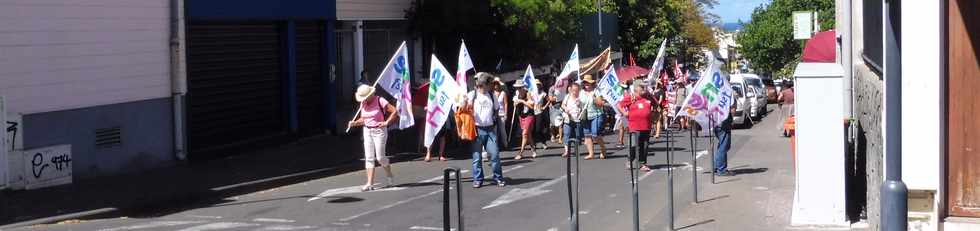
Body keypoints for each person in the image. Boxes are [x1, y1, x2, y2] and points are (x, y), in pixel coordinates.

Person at [348, 84, 397, 191]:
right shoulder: (363, 103)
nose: (364, 99)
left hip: (379, 130)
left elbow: (394, 111)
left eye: (365, 97)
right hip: (367, 130)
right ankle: (370, 183)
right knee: (369, 157)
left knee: (380, 157)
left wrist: (387, 122)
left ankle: (389, 174)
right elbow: (363, 119)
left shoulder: (380, 100)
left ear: (371, 94)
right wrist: (355, 123)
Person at [462, 73, 506, 188]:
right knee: (477, 157)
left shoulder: (492, 95)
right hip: (477, 129)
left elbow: (496, 109)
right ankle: (478, 179)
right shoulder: (472, 94)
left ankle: (498, 178)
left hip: (490, 129)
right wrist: (465, 102)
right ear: (484, 84)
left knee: (495, 155)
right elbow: (463, 108)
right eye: (490, 83)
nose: (492, 85)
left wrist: (494, 117)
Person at [618, 82, 655, 172]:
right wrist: (624, 113)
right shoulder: (631, 97)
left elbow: (656, 105)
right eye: (641, 87)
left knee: (644, 146)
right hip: (634, 126)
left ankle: (643, 164)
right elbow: (619, 105)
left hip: (646, 126)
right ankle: (630, 160)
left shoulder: (648, 96)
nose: (644, 89)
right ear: (636, 89)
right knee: (633, 146)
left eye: (644, 87)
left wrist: (652, 114)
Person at [580, 75, 607, 159]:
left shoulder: (596, 91)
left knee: (595, 134)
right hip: (585, 116)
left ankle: (603, 149)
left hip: (596, 114)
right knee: (587, 135)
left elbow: (601, 104)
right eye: (585, 82)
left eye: (588, 82)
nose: (586, 84)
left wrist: (595, 99)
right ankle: (591, 154)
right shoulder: (581, 92)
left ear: (592, 83)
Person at [512, 81, 538, 159]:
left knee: (524, 133)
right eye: (517, 87)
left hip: (529, 115)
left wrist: (523, 101)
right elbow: (514, 104)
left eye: (520, 87)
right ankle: (533, 149)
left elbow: (532, 106)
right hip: (521, 115)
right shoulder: (516, 94)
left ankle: (521, 153)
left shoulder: (528, 94)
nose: (518, 89)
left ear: (523, 87)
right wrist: (515, 103)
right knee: (528, 134)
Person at [561, 82, 586, 157]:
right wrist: (566, 109)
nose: (575, 92)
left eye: (577, 90)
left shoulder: (581, 98)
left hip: (577, 120)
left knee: (577, 136)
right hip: (568, 119)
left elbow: (584, 108)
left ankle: (576, 150)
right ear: (571, 90)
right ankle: (567, 151)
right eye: (573, 90)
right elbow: (562, 105)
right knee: (566, 134)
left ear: (579, 90)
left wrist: (580, 105)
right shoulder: (567, 96)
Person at [714, 96, 737, 176]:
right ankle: (721, 169)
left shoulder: (717, 93)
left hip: (717, 123)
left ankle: (717, 166)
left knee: (721, 145)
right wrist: (732, 119)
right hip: (724, 123)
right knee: (724, 146)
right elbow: (733, 109)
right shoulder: (728, 93)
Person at [493, 78, 510, 149]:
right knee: (495, 131)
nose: (496, 86)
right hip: (494, 114)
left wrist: (506, 113)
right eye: (495, 84)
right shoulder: (492, 93)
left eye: (497, 84)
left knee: (503, 130)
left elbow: (506, 103)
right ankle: (495, 146)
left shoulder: (503, 93)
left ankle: (505, 144)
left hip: (502, 113)